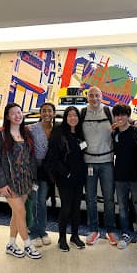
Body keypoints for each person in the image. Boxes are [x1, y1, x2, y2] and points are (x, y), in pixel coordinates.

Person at [0, 103, 42, 260]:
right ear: (7, 116)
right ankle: (28, 244)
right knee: (22, 212)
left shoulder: (26, 133)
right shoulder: (2, 136)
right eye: (13, 113)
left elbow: (31, 157)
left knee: (16, 213)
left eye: (19, 112)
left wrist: (34, 177)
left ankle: (11, 244)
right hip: (10, 182)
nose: (17, 115)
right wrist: (1, 184)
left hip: (25, 179)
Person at [45, 106, 87, 252]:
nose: (73, 118)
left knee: (77, 208)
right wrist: (66, 173)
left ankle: (75, 236)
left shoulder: (80, 133)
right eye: (69, 115)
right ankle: (61, 238)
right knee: (66, 208)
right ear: (65, 118)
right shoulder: (59, 133)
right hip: (65, 177)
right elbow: (53, 157)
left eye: (75, 115)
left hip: (79, 177)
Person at [81, 86, 117, 246]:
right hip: (88, 162)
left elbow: (122, 125)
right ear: (87, 97)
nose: (94, 98)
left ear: (101, 96)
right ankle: (93, 229)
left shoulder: (109, 112)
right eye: (91, 96)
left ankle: (110, 230)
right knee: (90, 199)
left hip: (107, 162)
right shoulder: (82, 113)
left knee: (109, 199)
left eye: (97, 95)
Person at [112, 103, 137, 250]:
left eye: (123, 115)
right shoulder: (115, 133)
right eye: (117, 115)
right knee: (123, 208)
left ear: (128, 116)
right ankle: (125, 233)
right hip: (119, 177)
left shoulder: (136, 132)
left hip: (135, 177)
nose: (120, 117)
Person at [28, 102, 56, 247]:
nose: (47, 114)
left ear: (54, 113)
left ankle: (42, 231)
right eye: (44, 111)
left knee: (42, 202)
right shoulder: (32, 128)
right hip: (33, 169)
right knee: (33, 202)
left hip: (46, 171)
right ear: (40, 113)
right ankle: (33, 233)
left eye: (49, 111)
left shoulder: (56, 129)